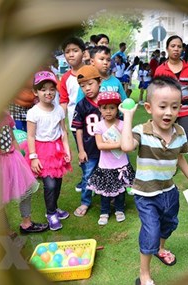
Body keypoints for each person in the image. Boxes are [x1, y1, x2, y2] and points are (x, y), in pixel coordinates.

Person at [120, 76, 188, 285]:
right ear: (149, 107)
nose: (169, 112)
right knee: (151, 231)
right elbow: (126, 146)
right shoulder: (142, 131)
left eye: (174, 107)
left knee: (169, 223)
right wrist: (128, 116)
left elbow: (180, 157)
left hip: (169, 191)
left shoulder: (180, 132)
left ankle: (160, 248)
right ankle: (144, 275)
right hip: (146, 194)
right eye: (163, 106)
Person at [25, 71, 72, 230]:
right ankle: (50, 213)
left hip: (57, 149)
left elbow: (63, 131)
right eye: (43, 89)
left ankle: (55, 207)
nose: (48, 93)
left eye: (52, 89)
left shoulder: (59, 109)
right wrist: (33, 157)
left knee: (58, 182)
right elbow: (30, 136)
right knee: (50, 184)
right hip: (42, 151)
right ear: (35, 92)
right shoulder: (33, 112)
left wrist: (67, 151)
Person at [155, 35, 188, 179]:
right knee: (165, 138)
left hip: (185, 110)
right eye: (173, 46)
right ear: (167, 49)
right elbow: (156, 92)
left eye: (179, 46)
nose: (176, 49)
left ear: (182, 49)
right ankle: (166, 168)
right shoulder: (160, 69)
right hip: (167, 111)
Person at [0, 111, 49, 237]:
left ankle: (27, 223)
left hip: (13, 158)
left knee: (26, 189)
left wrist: (20, 157)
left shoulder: (4, 115)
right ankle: (5, 230)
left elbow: (12, 138)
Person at [87, 91, 135, 225]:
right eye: (104, 108)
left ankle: (119, 209)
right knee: (105, 192)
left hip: (121, 164)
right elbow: (100, 145)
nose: (108, 111)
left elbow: (129, 141)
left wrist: (113, 144)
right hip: (106, 165)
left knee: (120, 190)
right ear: (99, 109)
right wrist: (120, 144)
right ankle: (104, 211)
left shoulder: (122, 124)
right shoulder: (99, 126)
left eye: (112, 108)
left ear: (118, 108)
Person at [71, 65, 102, 217]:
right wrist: (81, 150)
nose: (87, 88)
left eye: (90, 84)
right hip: (89, 149)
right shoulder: (81, 105)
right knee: (88, 175)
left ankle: (109, 198)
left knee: (109, 173)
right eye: (83, 86)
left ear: (99, 81)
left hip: (108, 147)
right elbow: (78, 129)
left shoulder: (107, 101)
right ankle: (85, 201)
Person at [58, 36, 85, 193]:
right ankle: (86, 177)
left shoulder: (91, 71)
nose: (71, 54)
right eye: (67, 52)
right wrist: (63, 125)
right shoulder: (66, 78)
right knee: (82, 150)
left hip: (94, 120)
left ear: (83, 52)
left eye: (75, 50)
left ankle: (100, 177)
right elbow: (63, 101)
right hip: (75, 121)